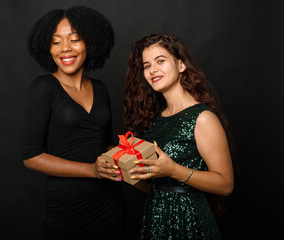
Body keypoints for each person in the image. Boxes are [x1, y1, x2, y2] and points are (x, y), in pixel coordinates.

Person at [22, 6, 124, 240]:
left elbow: (105, 146)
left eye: (75, 39)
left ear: (90, 42)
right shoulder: (44, 87)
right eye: (56, 42)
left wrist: (135, 154)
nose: (65, 48)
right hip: (67, 212)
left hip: (110, 207)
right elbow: (31, 157)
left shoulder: (101, 89)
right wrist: (92, 170)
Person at [123, 34, 234, 239]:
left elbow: (226, 184)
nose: (152, 70)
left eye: (160, 61)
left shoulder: (202, 117)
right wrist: (123, 171)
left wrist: (174, 169)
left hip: (188, 219)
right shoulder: (155, 120)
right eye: (146, 66)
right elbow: (154, 186)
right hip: (155, 219)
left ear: (181, 65)